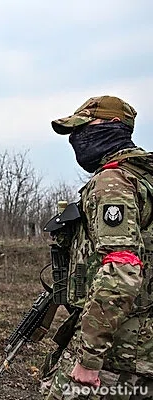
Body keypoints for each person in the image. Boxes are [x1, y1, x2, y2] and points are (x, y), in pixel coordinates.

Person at [41, 95, 153, 399]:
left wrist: (89, 359)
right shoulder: (144, 179)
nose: (77, 138)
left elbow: (122, 267)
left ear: (115, 126)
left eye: (84, 128)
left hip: (116, 353)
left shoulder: (113, 181)